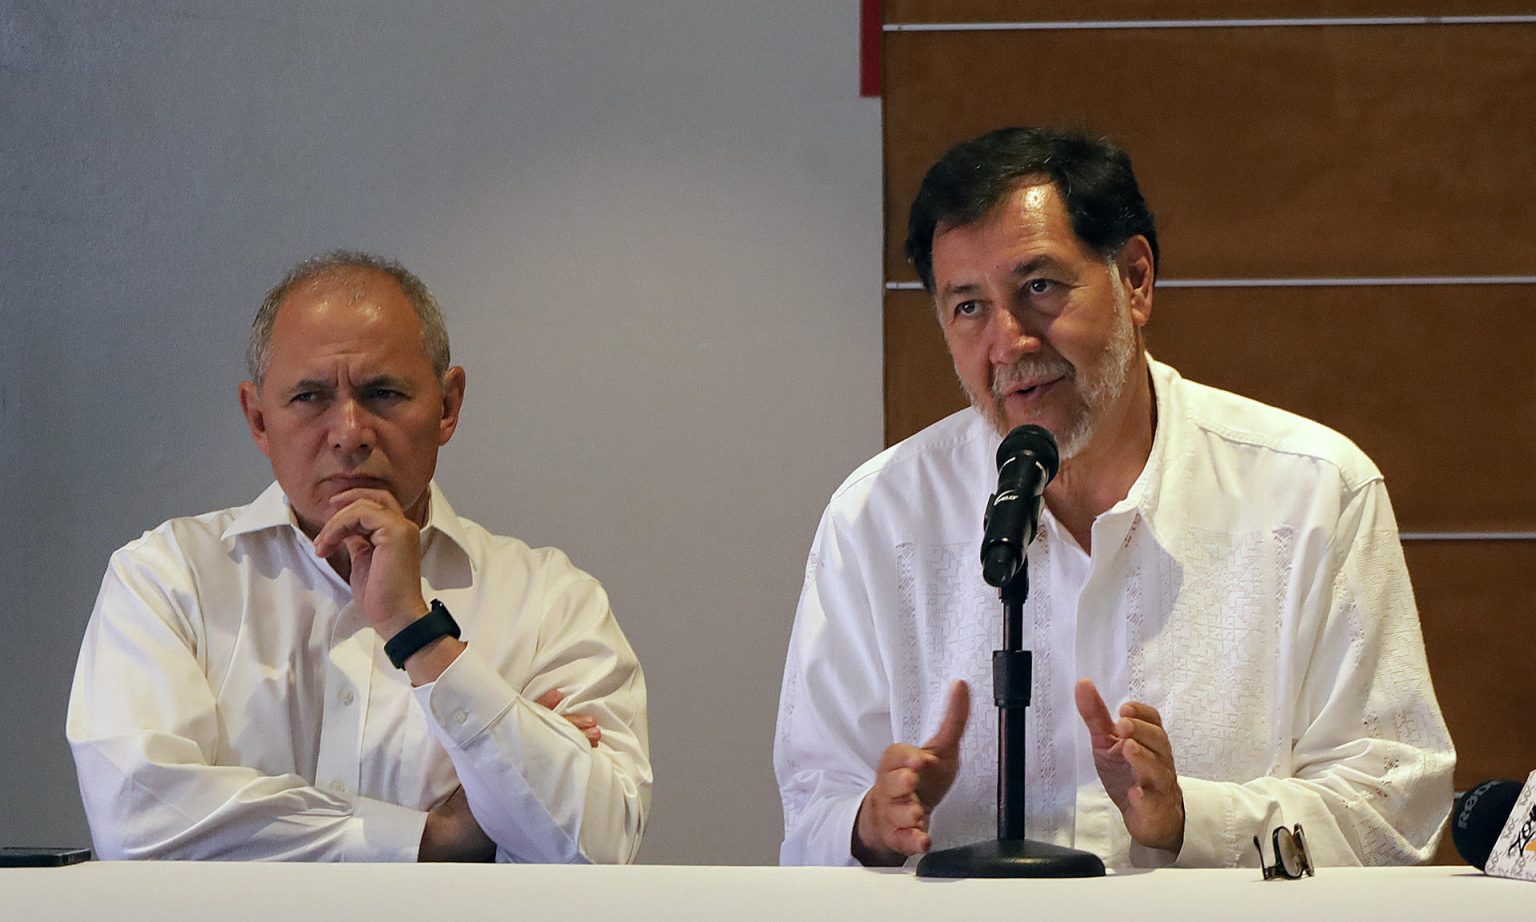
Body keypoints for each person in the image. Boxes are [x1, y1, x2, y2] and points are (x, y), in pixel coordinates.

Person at [774, 127, 1454, 870]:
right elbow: (812, 805)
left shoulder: (1315, 494)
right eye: (968, 307)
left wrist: (1193, 819)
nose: (1008, 343)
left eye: (1039, 288)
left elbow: (1394, 810)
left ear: (1135, 279)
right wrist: (868, 826)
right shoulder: (876, 518)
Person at [67, 252, 650, 862]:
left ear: (447, 406)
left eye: (384, 393)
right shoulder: (166, 577)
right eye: (310, 396)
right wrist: (435, 837)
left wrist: (418, 634)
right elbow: (138, 828)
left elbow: (597, 849)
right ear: (258, 418)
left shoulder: (551, 600)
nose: (349, 431)